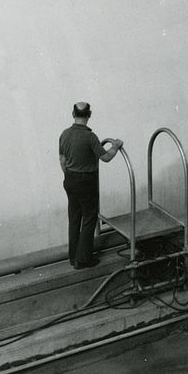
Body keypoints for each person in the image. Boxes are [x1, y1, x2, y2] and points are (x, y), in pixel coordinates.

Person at [59, 101, 123, 268]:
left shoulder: (64, 134)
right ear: (89, 115)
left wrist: (70, 176)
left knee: (74, 218)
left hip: (70, 180)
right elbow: (106, 157)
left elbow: (62, 160)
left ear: (73, 114)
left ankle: (73, 257)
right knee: (89, 217)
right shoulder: (90, 137)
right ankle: (83, 259)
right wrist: (115, 146)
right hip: (86, 182)